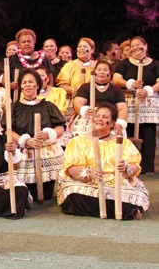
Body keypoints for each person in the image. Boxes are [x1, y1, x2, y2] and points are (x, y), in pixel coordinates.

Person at [58, 103, 148, 219]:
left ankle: (125, 208)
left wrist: (126, 168)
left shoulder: (122, 142)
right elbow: (71, 169)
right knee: (73, 197)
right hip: (86, 182)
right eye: (97, 116)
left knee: (136, 196)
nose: (99, 119)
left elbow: (134, 168)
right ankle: (125, 210)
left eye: (105, 117)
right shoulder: (78, 141)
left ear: (112, 124)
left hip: (116, 181)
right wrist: (89, 174)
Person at [9, 69, 65, 201]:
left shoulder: (48, 106)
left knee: (45, 195)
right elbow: (8, 131)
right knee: (26, 193)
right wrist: (26, 141)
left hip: (45, 150)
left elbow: (60, 127)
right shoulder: (14, 107)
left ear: (37, 85)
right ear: (21, 86)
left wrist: (47, 134)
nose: (27, 85)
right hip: (24, 150)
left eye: (31, 82)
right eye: (24, 82)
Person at [112, 36, 159, 174]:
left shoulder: (155, 64)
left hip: (148, 103)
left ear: (145, 46)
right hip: (130, 102)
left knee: (148, 134)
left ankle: (147, 167)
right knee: (129, 131)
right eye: (133, 45)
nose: (135, 48)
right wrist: (130, 84)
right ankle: (130, 165)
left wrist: (147, 90)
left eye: (139, 45)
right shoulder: (124, 64)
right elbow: (116, 79)